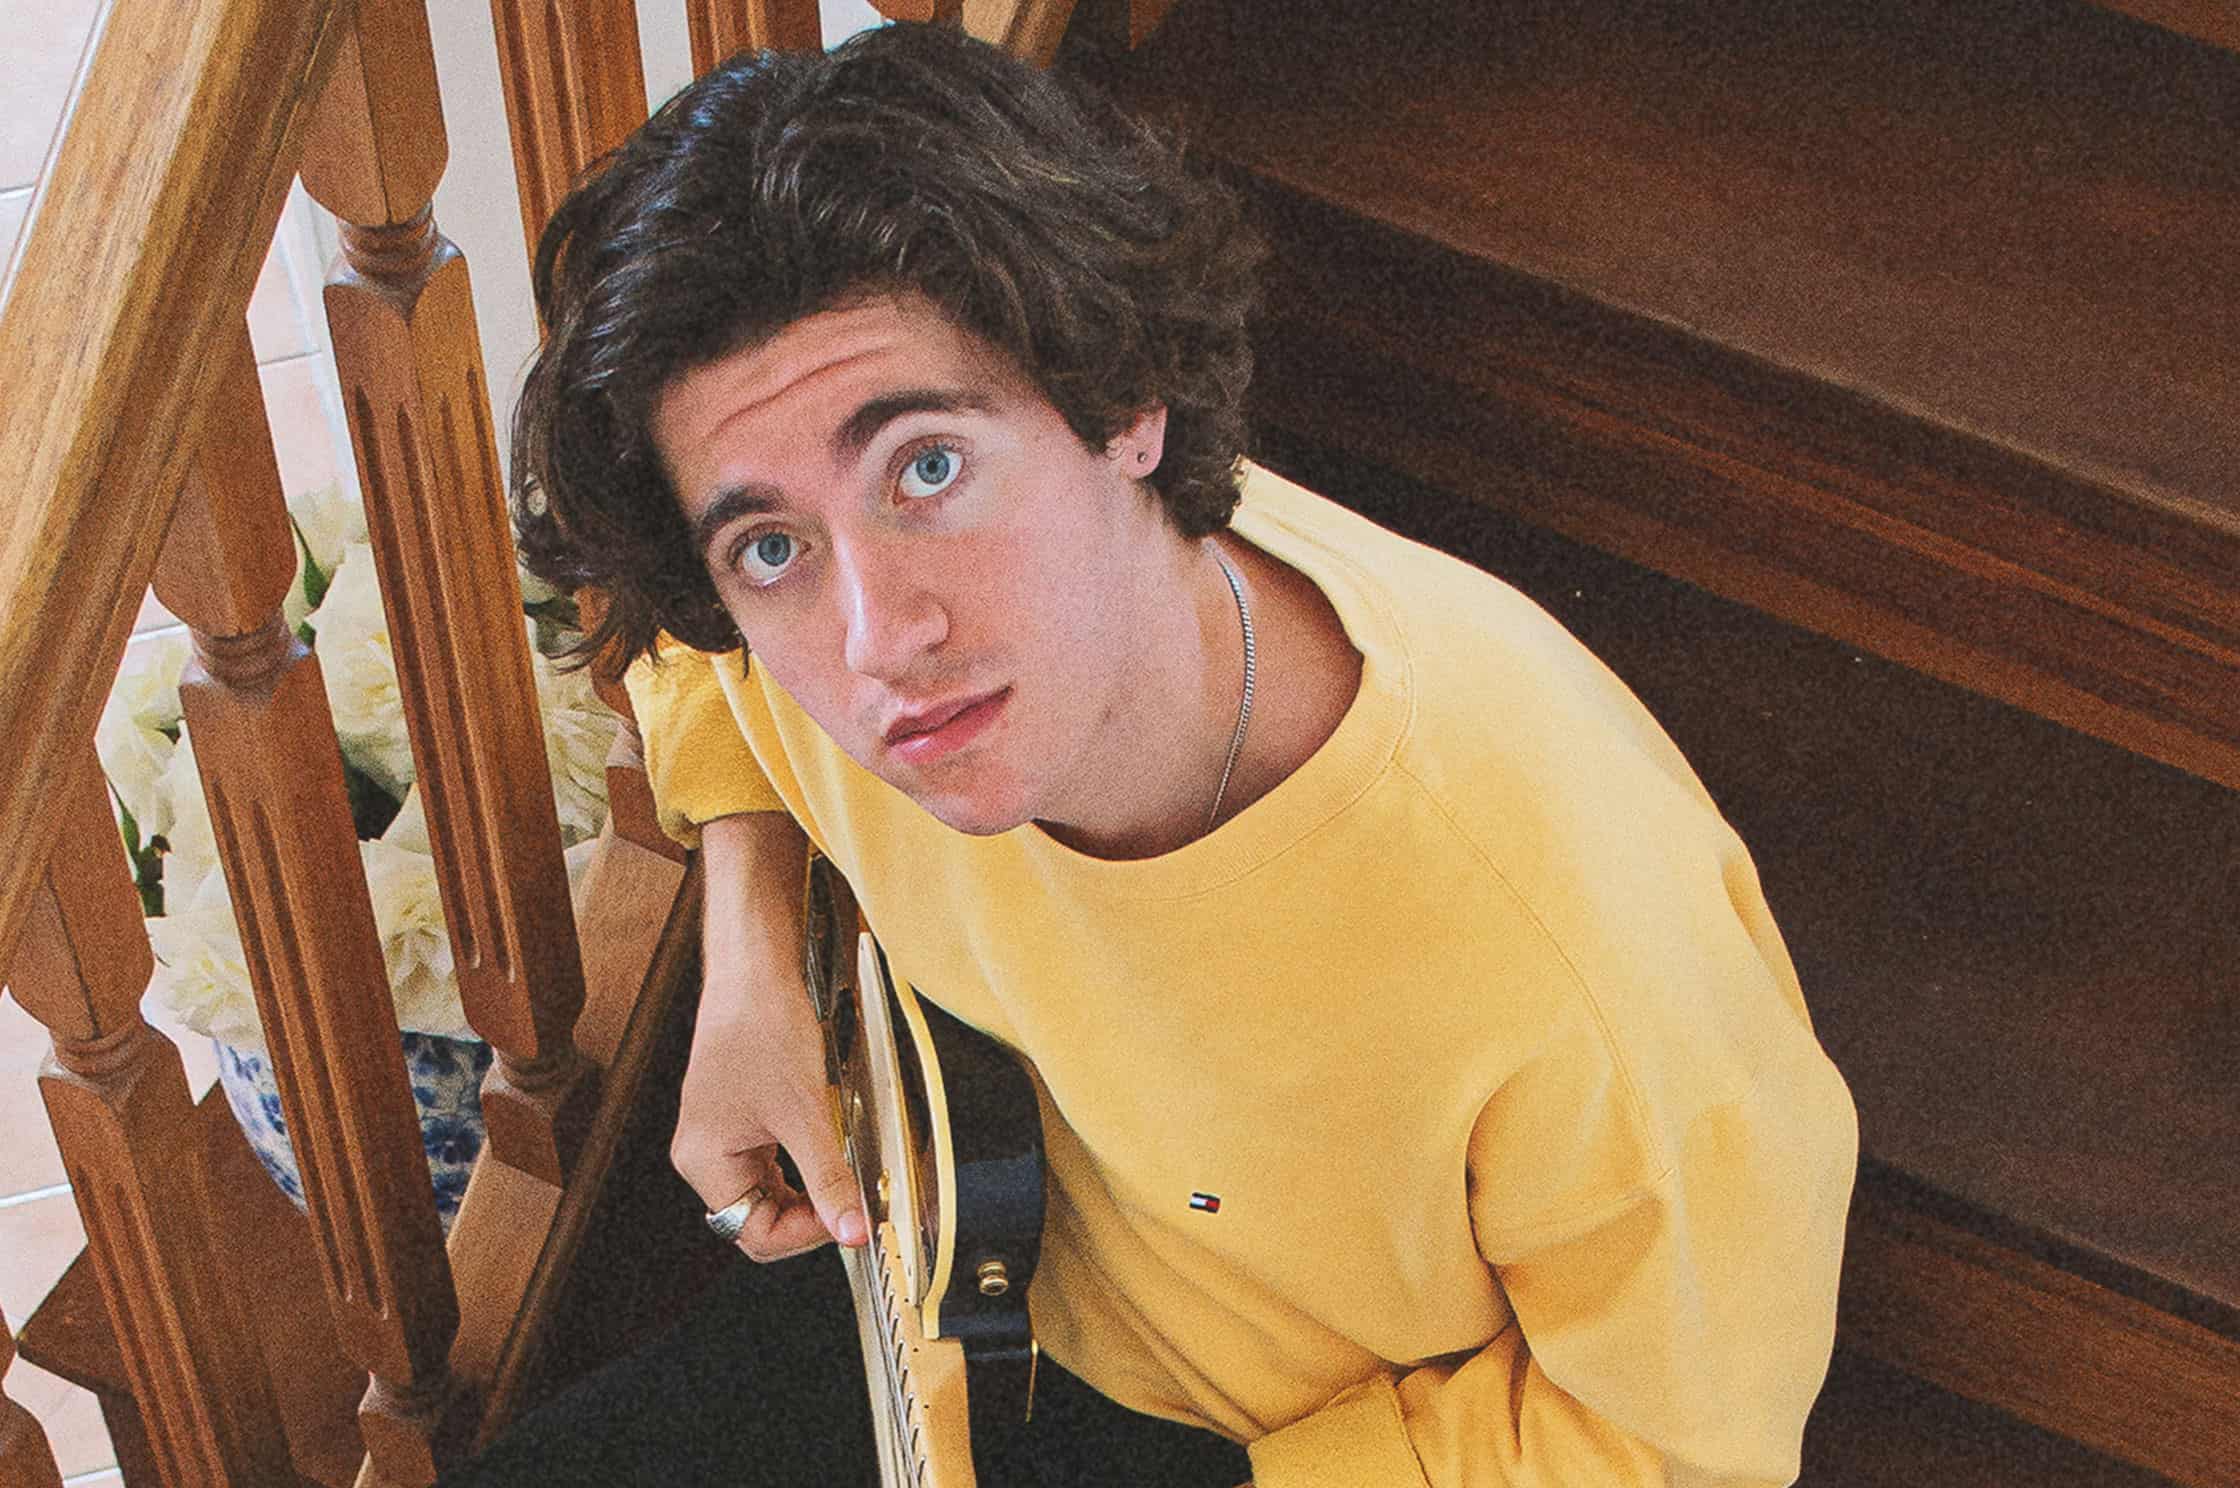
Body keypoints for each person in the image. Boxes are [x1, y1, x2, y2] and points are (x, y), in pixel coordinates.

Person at [460, 19, 1859, 1488]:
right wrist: (750, 963)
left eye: (926, 468)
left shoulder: (1566, 934)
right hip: (951, 1261)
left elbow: (1681, 1445)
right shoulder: (807, 638)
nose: (878, 639)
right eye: (771, 544)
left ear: (1127, 404)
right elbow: (691, 647)